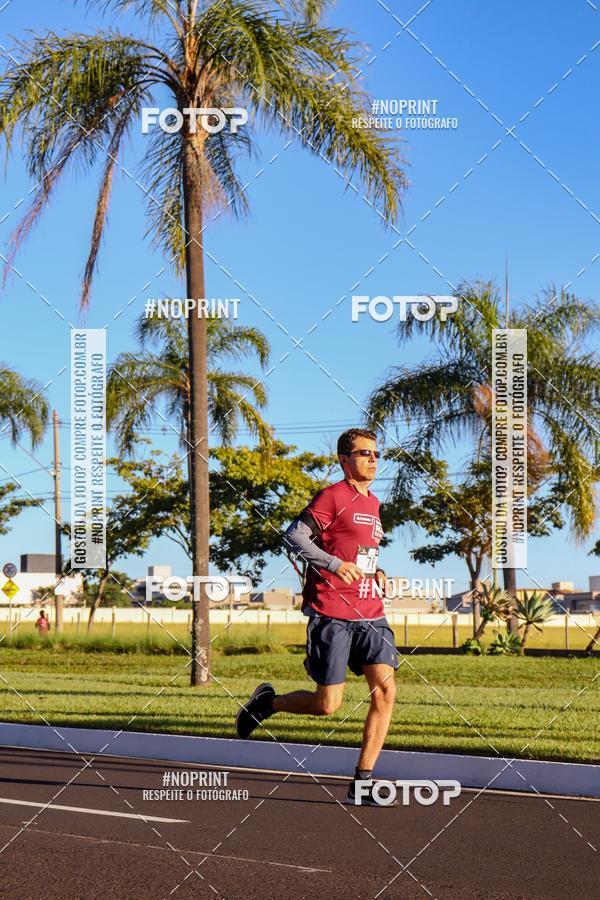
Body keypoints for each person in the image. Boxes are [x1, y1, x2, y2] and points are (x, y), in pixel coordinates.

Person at [236, 427, 399, 806]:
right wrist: (334, 564)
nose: (373, 460)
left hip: (370, 610)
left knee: (386, 692)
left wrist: (377, 572)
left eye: (376, 454)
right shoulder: (332, 496)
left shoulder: (374, 503)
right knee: (327, 705)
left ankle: (363, 783)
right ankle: (268, 703)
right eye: (364, 453)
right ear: (344, 460)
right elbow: (294, 536)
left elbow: (360, 552)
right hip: (332, 611)